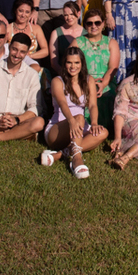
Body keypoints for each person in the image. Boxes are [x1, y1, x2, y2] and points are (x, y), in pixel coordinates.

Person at [39, 46, 108, 178]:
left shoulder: (89, 80)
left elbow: (93, 105)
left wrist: (94, 123)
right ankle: (76, 160)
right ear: (64, 63)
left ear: (82, 64)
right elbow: (62, 103)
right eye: (69, 62)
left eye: (77, 63)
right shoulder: (57, 81)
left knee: (103, 132)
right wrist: (71, 120)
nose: (73, 66)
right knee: (79, 118)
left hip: (79, 126)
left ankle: (60, 154)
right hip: (58, 128)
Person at [74, 9, 120, 116]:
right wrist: (86, 82)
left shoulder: (111, 42)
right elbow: (69, 65)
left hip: (106, 81)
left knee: (108, 97)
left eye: (97, 23)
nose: (93, 26)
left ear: (103, 24)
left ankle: (107, 130)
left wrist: (103, 84)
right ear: (85, 25)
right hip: (82, 81)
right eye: (89, 23)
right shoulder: (77, 42)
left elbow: (113, 67)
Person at [7, 0, 50, 64]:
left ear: (31, 13)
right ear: (15, 10)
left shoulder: (36, 28)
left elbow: (45, 51)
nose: (23, 15)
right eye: (20, 11)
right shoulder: (8, 28)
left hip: (32, 64)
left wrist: (29, 56)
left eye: (27, 12)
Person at [48, 1, 84, 77]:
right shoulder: (56, 33)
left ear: (79, 14)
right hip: (63, 74)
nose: (69, 18)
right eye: (66, 15)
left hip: (82, 75)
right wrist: (65, 75)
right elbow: (54, 63)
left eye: (72, 14)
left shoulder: (86, 33)